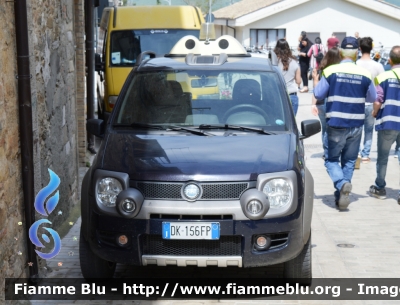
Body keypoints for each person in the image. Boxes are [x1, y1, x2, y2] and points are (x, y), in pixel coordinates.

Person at [314, 37, 377, 210]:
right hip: (356, 125)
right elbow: (372, 98)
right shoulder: (365, 74)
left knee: (331, 160)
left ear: (341, 52)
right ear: (356, 53)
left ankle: (341, 184)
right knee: (349, 161)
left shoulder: (330, 71)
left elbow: (318, 94)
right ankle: (342, 196)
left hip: (335, 123)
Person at [369, 46, 400, 204]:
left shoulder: (384, 76)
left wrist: (374, 112)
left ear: (390, 60)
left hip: (388, 122)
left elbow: (378, 99)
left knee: (382, 158)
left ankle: (380, 188)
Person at [356, 37, 385, 164]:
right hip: (372, 103)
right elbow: (381, 86)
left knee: (356, 130)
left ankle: (356, 152)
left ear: (360, 48)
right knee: (369, 130)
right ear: (372, 48)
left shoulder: (355, 65)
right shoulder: (378, 66)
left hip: (357, 102)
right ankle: (366, 155)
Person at [311, 47, 341, 157]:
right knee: (335, 128)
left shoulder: (322, 70)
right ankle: (334, 150)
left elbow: (317, 91)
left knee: (325, 129)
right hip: (332, 103)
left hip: (321, 103)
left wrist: (313, 104)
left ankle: (326, 151)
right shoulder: (338, 71)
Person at [274, 39, 302, 115]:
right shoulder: (294, 62)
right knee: (291, 124)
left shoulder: (274, 62)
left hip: (277, 95)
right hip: (292, 95)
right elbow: (298, 81)